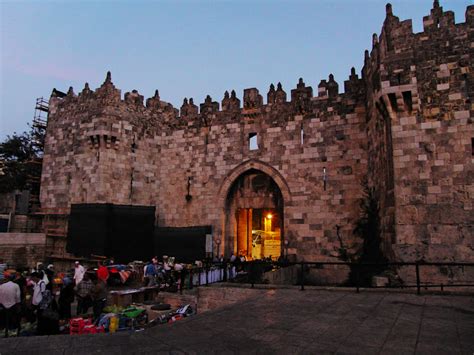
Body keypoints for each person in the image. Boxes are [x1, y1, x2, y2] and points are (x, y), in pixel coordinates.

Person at [0, 273, 21, 337]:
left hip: (2, 305)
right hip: (13, 305)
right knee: (13, 319)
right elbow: (18, 297)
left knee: (3, 319)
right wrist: (18, 304)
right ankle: (12, 332)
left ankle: (3, 332)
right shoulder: (16, 285)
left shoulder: (1, 286)